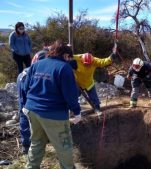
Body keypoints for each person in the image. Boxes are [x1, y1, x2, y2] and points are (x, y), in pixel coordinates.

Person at [23, 40, 81, 169]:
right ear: (66, 55)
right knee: (64, 147)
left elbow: (26, 87)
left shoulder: (37, 65)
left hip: (32, 110)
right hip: (54, 115)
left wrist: (28, 104)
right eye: (69, 57)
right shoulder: (64, 68)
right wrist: (76, 111)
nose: (69, 60)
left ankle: (31, 166)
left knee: (37, 143)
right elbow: (70, 95)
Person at [17, 47, 50, 155]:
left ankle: (26, 146)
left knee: (23, 114)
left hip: (24, 98)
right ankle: (30, 145)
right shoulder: (35, 73)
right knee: (27, 116)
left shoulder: (24, 72)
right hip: (31, 103)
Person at [73, 49, 117, 116]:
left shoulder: (94, 60)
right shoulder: (76, 58)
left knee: (94, 97)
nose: (87, 66)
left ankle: (97, 109)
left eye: (89, 64)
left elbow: (103, 62)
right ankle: (74, 111)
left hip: (89, 83)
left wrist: (111, 58)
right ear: (82, 60)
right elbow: (65, 58)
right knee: (73, 97)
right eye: (86, 64)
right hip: (78, 84)